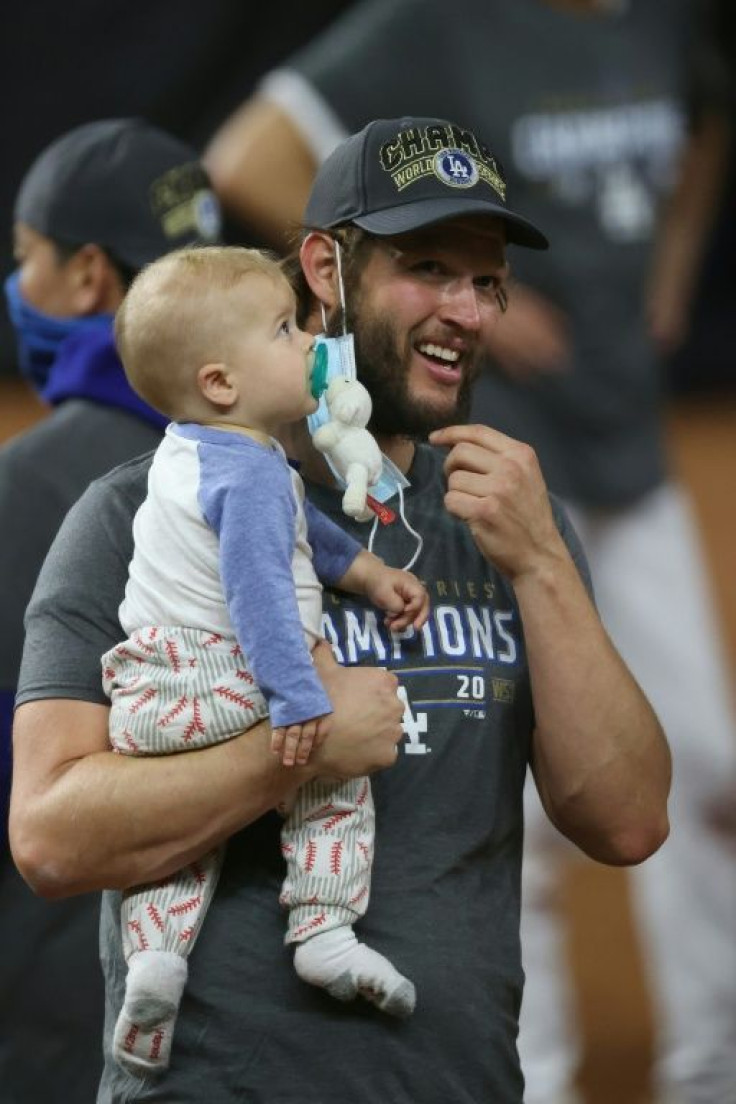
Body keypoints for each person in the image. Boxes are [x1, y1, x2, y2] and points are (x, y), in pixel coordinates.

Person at [10, 115, 670, 1104]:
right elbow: (53, 837)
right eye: (430, 269)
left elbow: (625, 820)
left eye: (486, 281)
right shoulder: (144, 512)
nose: (469, 309)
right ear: (324, 267)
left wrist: (541, 568)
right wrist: (304, 743)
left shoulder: (506, 522)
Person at [203, 6, 736, 1102]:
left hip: (620, 448)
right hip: (492, 453)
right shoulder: (437, 22)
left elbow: (704, 122)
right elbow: (247, 155)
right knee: (507, 788)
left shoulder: (663, 24)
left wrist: (671, 272)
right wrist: (486, 296)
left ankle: (713, 1067)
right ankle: (528, 1080)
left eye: (477, 275)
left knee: (712, 774)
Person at [105, 245, 426, 1074]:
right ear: (222, 383)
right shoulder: (249, 474)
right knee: (336, 775)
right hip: (228, 674)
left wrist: (364, 573)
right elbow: (258, 589)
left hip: (150, 689)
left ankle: (156, 959)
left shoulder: (199, 450)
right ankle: (323, 927)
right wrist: (300, 700)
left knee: (179, 834)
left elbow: (300, 534)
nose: (309, 343)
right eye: (285, 330)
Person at [0, 117, 221, 1104]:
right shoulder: (291, 469)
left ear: (90, 275)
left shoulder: (33, 488)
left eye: (25, 259)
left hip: (60, 1016)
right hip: (258, 1012)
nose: (18, 287)